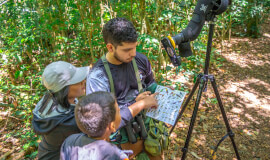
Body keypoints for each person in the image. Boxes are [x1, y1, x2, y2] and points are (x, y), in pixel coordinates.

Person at [86, 17, 161, 159]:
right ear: (110, 47)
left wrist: (164, 93)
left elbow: (151, 85)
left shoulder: (140, 60)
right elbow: (104, 125)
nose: (133, 53)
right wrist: (137, 104)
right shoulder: (98, 77)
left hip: (150, 133)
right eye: (127, 50)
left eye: (135, 47)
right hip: (122, 143)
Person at [32, 61, 89, 160]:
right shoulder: (65, 123)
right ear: (64, 89)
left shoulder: (51, 97)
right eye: (77, 81)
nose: (83, 81)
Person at [60, 91, 133, 160]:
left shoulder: (70, 141)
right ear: (112, 126)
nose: (120, 112)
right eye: (119, 111)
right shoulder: (115, 154)